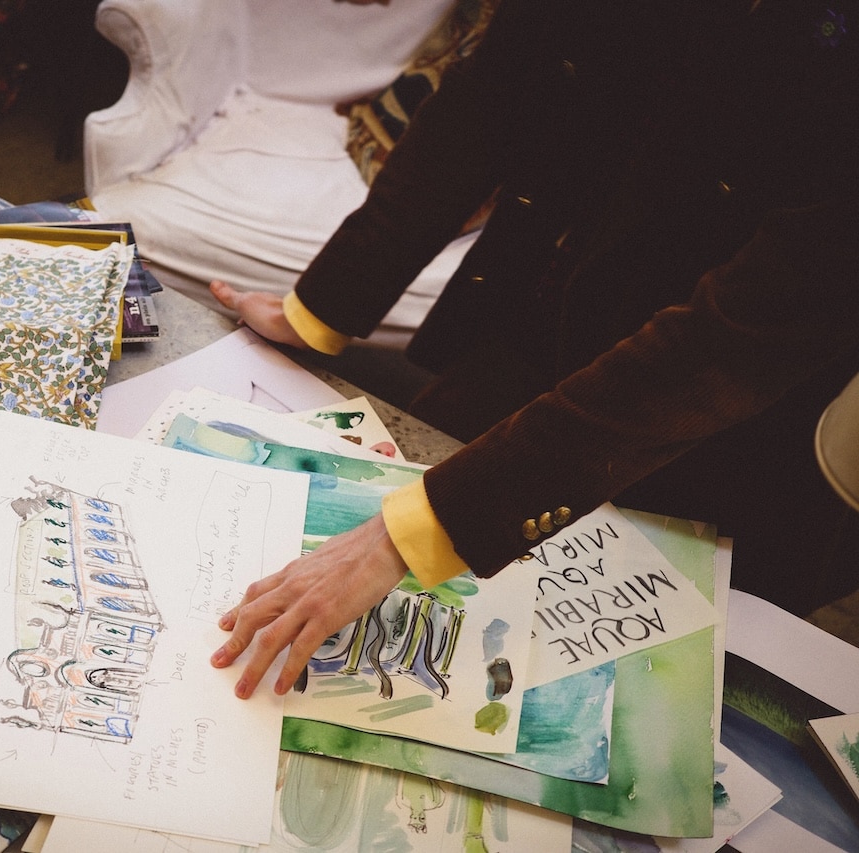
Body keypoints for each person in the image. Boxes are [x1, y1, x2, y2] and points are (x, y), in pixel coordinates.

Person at [207, 0, 859, 699]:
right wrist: (322, 307)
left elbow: (730, 342)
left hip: (731, 440)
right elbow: (493, 90)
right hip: (534, 316)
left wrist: (406, 536)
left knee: (655, 697)